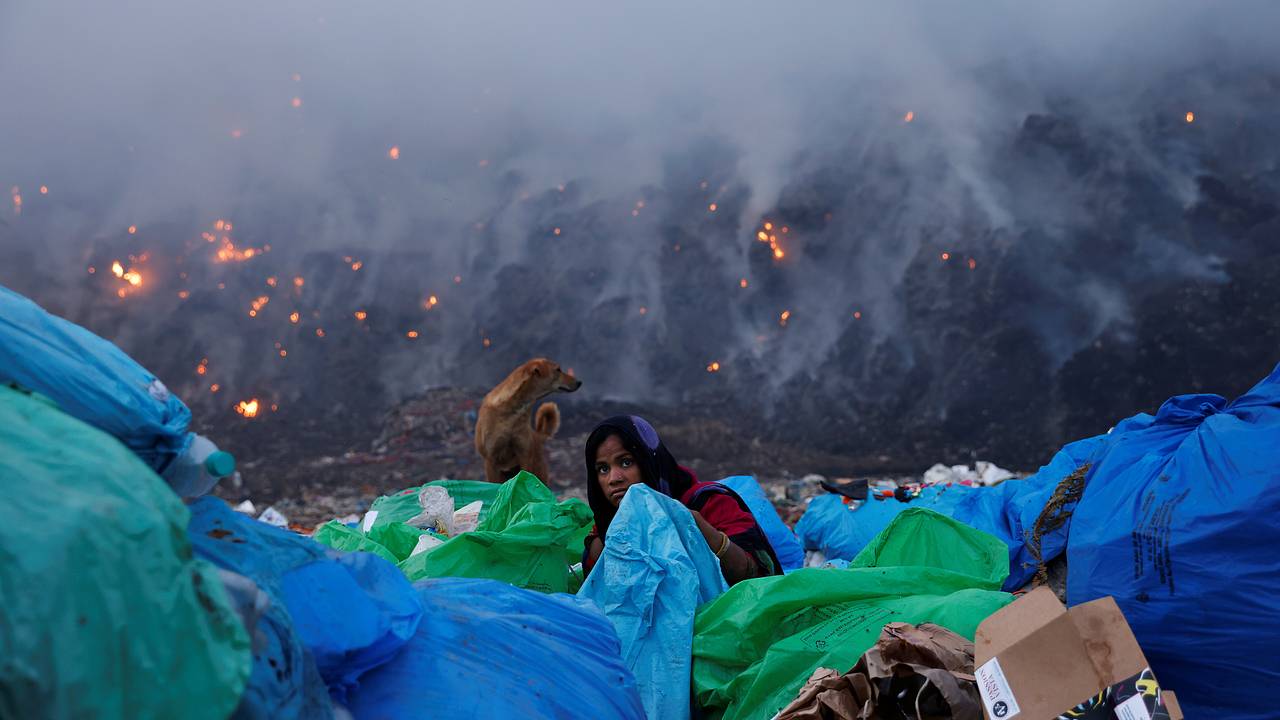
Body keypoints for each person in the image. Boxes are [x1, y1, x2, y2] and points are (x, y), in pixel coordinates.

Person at [582, 415, 781, 585]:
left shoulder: (707, 503)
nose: (613, 478)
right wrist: (601, 547)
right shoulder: (608, 527)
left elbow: (760, 575)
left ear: (650, 462)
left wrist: (701, 531)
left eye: (626, 462)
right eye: (603, 469)